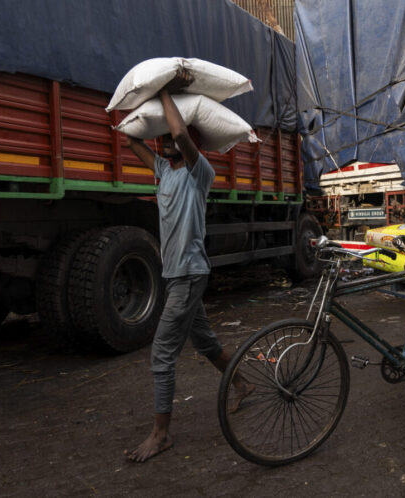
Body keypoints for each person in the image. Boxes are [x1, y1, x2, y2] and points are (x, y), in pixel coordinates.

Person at [123, 70, 254, 463]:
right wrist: (143, 107)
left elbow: (180, 135)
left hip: (190, 273)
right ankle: (243, 383)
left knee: (162, 353)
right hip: (174, 274)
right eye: (161, 139)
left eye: (170, 138)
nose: (164, 142)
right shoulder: (163, 171)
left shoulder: (201, 173)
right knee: (205, 342)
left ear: (193, 143)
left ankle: (161, 435)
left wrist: (163, 90)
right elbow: (130, 138)